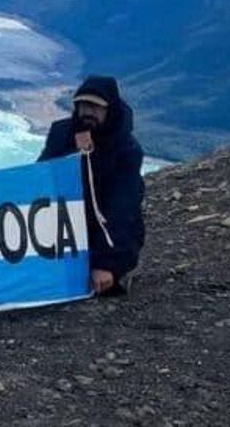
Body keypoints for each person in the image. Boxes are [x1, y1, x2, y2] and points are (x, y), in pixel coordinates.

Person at [38, 75, 145, 296]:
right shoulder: (61, 134)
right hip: (64, 229)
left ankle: (113, 269)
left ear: (110, 110)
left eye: (96, 107)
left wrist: (106, 264)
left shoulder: (126, 150)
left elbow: (122, 211)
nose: (88, 112)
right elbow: (40, 179)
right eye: (83, 105)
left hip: (104, 234)